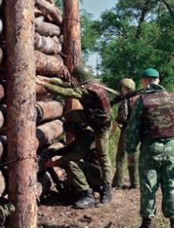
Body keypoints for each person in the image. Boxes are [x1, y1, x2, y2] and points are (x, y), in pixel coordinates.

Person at [125, 68, 174, 228]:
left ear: (145, 81)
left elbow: (133, 127)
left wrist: (130, 150)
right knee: (171, 187)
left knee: (148, 188)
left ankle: (146, 227)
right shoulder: (172, 98)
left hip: (150, 149)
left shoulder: (142, 100)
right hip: (171, 148)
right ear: (158, 80)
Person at [36, 64, 113, 207]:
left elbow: (66, 92)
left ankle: (107, 190)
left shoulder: (87, 91)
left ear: (81, 78)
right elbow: (66, 84)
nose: (74, 80)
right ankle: (77, 124)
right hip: (90, 117)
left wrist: (44, 85)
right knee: (70, 115)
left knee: (103, 155)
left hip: (100, 126)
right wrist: (46, 79)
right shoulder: (89, 84)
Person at [43, 122, 102, 209]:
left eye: (70, 131)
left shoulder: (88, 135)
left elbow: (73, 156)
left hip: (97, 173)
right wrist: (54, 152)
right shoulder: (83, 134)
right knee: (70, 163)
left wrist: (52, 163)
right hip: (93, 171)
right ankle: (78, 191)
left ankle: (87, 195)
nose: (69, 134)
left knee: (72, 163)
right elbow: (69, 149)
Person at [111, 78, 139, 190]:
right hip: (136, 131)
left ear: (124, 88)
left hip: (127, 131)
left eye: (121, 87)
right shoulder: (139, 99)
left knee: (121, 157)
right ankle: (135, 183)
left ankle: (118, 183)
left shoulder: (126, 100)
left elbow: (123, 116)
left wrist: (114, 125)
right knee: (133, 157)